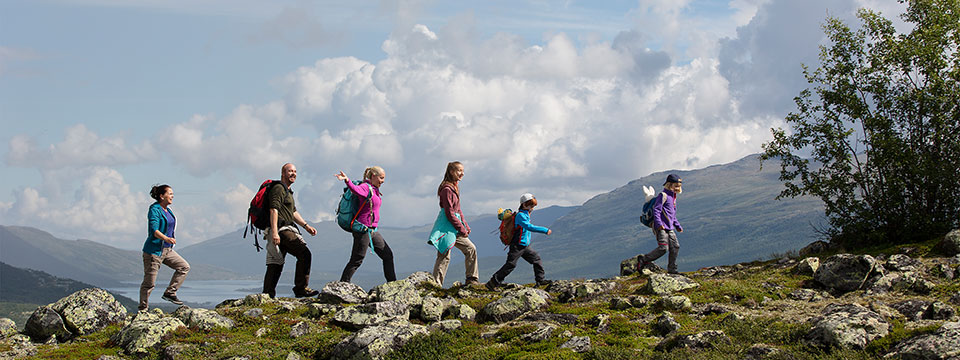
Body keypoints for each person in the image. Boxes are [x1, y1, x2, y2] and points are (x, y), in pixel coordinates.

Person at [262, 163, 319, 298]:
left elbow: (293, 212)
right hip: (282, 229)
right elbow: (273, 210)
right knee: (304, 254)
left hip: (283, 229)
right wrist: (275, 232)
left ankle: (267, 295)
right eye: (290, 171)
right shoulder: (278, 189)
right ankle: (300, 288)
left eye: (295, 171)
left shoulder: (288, 191)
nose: (293, 174)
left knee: (276, 263)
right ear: (283, 173)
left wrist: (306, 226)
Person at [335, 166, 397, 283]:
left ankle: (392, 284)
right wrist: (347, 180)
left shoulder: (374, 188)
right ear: (373, 176)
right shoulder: (365, 187)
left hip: (372, 230)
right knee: (357, 259)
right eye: (381, 178)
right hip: (362, 230)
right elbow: (355, 190)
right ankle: (343, 284)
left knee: (387, 255)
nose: (383, 181)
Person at [139, 184, 190, 311]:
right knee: (149, 283)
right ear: (162, 196)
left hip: (167, 250)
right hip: (154, 251)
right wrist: (166, 238)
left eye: (173, 194)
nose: (172, 196)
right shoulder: (155, 209)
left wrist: (168, 241)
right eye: (170, 193)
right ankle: (143, 309)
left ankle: (170, 293)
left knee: (184, 267)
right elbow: (154, 230)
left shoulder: (168, 210)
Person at [486, 193, 552, 290]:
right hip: (517, 245)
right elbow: (529, 227)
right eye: (531, 206)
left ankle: (540, 280)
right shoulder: (520, 216)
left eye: (533, 206)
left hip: (524, 246)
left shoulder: (525, 214)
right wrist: (545, 230)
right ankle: (493, 282)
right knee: (510, 264)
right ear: (524, 205)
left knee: (536, 260)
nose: (532, 208)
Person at [432, 161, 480, 286]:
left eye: (462, 171)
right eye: (459, 170)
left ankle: (472, 279)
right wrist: (461, 228)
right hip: (447, 226)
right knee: (445, 254)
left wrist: (465, 225)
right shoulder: (447, 189)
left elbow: (458, 210)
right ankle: (436, 284)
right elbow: (449, 212)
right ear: (451, 172)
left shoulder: (453, 187)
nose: (462, 173)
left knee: (470, 249)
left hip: (454, 225)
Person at [637, 174, 684, 274]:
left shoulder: (673, 198)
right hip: (660, 226)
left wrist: (677, 226)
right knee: (663, 248)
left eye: (679, 186)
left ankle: (672, 269)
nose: (677, 188)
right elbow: (656, 210)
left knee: (675, 246)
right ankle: (644, 259)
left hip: (669, 227)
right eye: (675, 185)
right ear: (669, 185)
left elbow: (672, 215)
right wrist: (658, 224)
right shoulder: (663, 196)